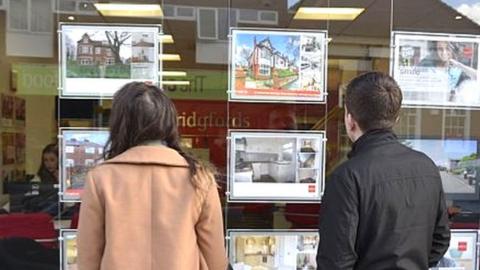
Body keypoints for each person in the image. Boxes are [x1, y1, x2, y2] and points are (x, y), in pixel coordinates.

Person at [77, 82, 228, 270]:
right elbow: (215, 258)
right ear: (168, 121)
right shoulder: (199, 178)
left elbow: (88, 257)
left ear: (120, 123)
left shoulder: (100, 178)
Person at [316, 72, 450, 270]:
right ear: (396, 118)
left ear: (349, 119)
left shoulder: (347, 177)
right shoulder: (427, 167)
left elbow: (335, 262)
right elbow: (440, 241)